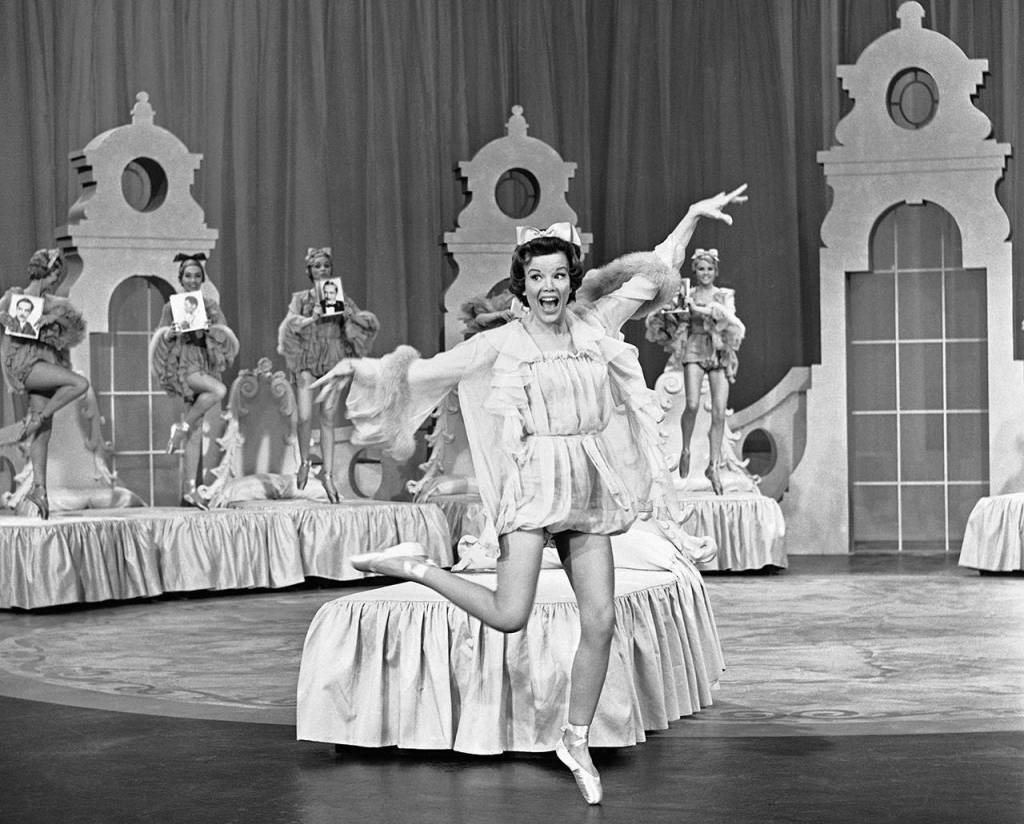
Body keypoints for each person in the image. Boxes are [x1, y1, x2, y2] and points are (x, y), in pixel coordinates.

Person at [313, 185, 747, 805]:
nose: (549, 286)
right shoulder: (502, 342)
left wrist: (689, 219)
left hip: (588, 483)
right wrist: (363, 369)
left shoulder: (595, 325)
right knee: (510, 614)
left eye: (559, 275)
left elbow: (653, 272)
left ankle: (575, 739)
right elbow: (426, 371)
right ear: (524, 286)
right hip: (533, 486)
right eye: (538, 276)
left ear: (573, 282)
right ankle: (415, 566)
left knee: (601, 620)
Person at [277, 247, 379, 502]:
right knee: (304, 416)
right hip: (308, 356)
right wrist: (312, 318)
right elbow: (290, 325)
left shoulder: (340, 295)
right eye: (317, 266)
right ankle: (304, 462)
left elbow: (366, 325)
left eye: (326, 266)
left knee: (328, 417)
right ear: (309, 270)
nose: (322, 270)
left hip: (333, 357)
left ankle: (328, 473)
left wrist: (350, 316)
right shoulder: (301, 298)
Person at [645, 248, 745, 494]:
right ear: (695, 270)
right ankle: (686, 449)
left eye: (709, 269)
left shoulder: (723, 295)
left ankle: (713, 465)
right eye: (701, 268)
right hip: (694, 347)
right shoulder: (686, 293)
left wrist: (698, 310)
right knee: (692, 404)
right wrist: (672, 310)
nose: (705, 273)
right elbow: (673, 318)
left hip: (717, 350)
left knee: (719, 412)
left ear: (715, 271)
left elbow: (727, 318)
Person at [0, 249, 89, 518]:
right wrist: (5, 318)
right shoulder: (15, 297)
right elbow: (4, 330)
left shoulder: (54, 304)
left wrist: (53, 318)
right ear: (42, 271)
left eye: (59, 275)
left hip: (44, 361)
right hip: (25, 362)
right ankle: (35, 420)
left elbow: (75, 330)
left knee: (44, 432)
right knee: (79, 384)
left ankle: (39, 490)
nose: (56, 279)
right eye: (54, 274)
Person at [149, 253, 239, 508]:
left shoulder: (210, 306)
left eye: (197, 276)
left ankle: (190, 489)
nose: (192, 280)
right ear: (181, 279)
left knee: (196, 429)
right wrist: (170, 333)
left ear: (202, 279)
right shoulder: (171, 307)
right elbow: (160, 336)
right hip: (186, 364)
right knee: (218, 390)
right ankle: (181, 428)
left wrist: (211, 329)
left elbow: (225, 335)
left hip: (206, 361)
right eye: (188, 276)